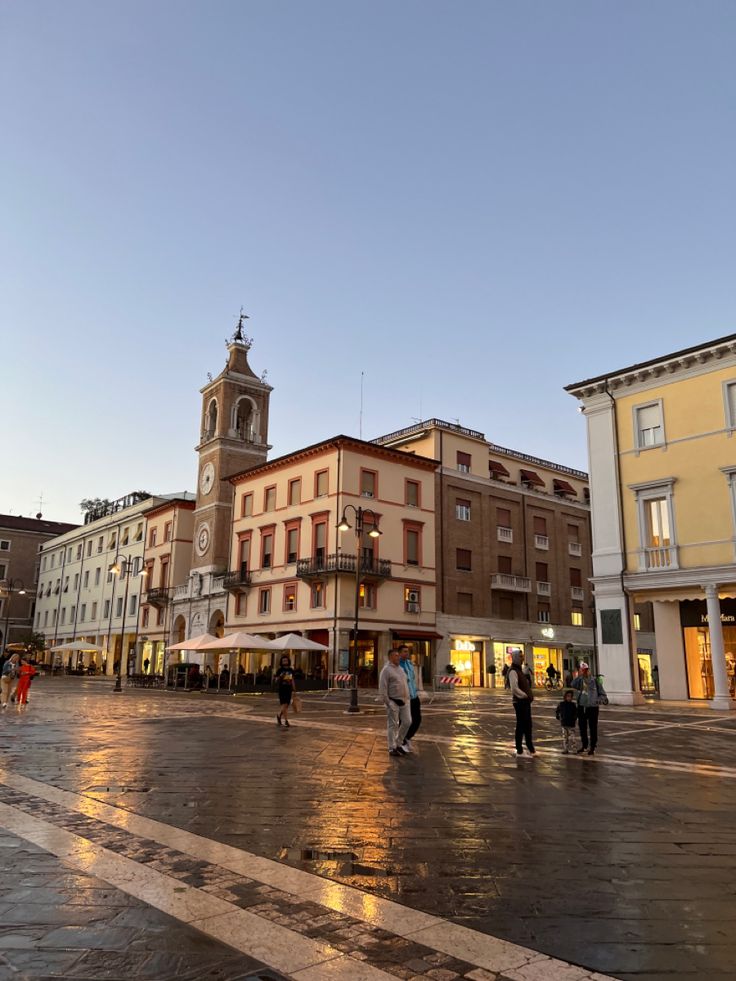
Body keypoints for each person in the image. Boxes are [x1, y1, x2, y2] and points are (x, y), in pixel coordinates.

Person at [379, 648, 411, 757]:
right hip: (393, 701)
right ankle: (392, 747)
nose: (398, 657)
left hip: (405, 700)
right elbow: (383, 688)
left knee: (407, 721)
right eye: (396, 656)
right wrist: (388, 702)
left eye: (398, 655)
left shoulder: (401, 669)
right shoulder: (386, 670)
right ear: (390, 657)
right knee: (393, 725)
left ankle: (398, 743)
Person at [571, 662, 607, 755]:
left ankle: (592, 747)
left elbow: (602, 694)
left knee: (593, 728)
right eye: (582, 670)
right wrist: (578, 676)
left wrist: (597, 701)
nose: (584, 672)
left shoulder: (595, 681)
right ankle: (584, 745)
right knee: (582, 727)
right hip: (581, 707)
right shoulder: (579, 680)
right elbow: (572, 684)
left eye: (585, 670)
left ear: (589, 670)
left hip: (592, 708)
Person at [507, 649, 536, 757]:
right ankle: (520, 749)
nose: (522, 658)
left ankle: (530, 747)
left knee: (527, 725)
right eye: (520, 656)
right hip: (520, 702)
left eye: (522, 656)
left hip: (524, 702)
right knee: (522, 725)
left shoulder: (519, 670)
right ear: (515, 658)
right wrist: (524, 696)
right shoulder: (513, 671)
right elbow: (514, 688)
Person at [398, 645, 423, 752]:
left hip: (414, 696)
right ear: (399, 653)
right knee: (404, 721)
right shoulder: (397, 665)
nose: (406, 653)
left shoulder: (409, 664)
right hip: (404, 697)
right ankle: (401, 742)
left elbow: (412, 679)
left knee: (417, 719)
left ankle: (407, 737)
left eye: (407, 651)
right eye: (404, 651)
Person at [274, 655, 296, 727]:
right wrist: (280, 676)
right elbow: (276, 680)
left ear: (288, 661)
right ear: (281, 662)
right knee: (284, 704)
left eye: (286, 660)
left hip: (288, 689)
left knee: (286, 705)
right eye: (283, 661)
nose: (285, 662)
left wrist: (294, 688)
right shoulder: (279, 670)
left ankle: (278, 715)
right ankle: (286, 720)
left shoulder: (291, 670)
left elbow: (292, 679)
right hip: (282, 689)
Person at [555, 689, 578, 754]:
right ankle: (565, 749)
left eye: (570, 696)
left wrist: (575, 718)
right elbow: (557, 711)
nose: (569, 698)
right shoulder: (561, 704)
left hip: (571, 724)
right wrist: (558, 716)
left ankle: (574, 749)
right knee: (565, 738)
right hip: (564, 723)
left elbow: (576, 712)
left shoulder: (573, 705)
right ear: (565, 697)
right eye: (568, 696)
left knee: (573, 738)